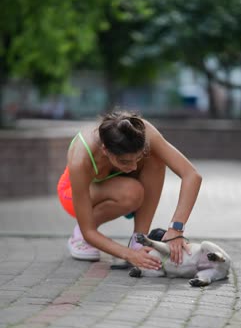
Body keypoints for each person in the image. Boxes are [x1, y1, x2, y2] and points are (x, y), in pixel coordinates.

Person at [57, 110, 202, 270]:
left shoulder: (141, 131)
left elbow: (192, 175)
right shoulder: (81, 159)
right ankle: (78, 237)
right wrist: (128, 255)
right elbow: (89, 231)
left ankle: (139, 241)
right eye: (124, 161)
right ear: (105, 150)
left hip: (119, 187)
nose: (133, 167)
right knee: (132, 192)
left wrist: (176, 229)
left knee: (155, 158)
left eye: (138, 158)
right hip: (72, 194)